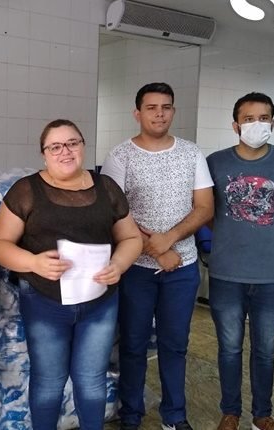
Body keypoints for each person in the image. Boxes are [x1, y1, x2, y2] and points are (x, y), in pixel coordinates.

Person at [0, 119, 143, 430]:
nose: (65, 151)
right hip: (45, 302)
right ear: (44, 154)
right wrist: (33, 262)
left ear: (83, 146)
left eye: (72, 143)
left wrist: (119, 264)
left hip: (100, 303)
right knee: (49, 382)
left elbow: (131, 238)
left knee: (92, 380)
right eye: (55, 146)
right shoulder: (27, 190)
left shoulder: (106, 187)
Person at [102, 82, 214, 430]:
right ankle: (131, 415)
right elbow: (113, 212)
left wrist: (169, 240)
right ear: (137, 113)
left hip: (183, 266)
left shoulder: (191, 153)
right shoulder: (120, 156)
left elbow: (204, 207)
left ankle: (174, 416)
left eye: (166, 107)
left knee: (174, 344)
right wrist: (156, 249)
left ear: (173, 111)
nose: (159, 114)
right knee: (133, 345)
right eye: (151, 107)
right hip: (135, 268)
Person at [206, 92, 274, 430]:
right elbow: (205, 209)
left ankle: (262, 415)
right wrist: (228, 230)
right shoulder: (215, 162)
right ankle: (230, 412)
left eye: (264, 118)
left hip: (272, 276)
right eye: (249, 119)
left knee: (265, 350)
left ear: (273, 122)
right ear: (236, 125)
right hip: (227, 275)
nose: (257, 124)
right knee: (229, 349)